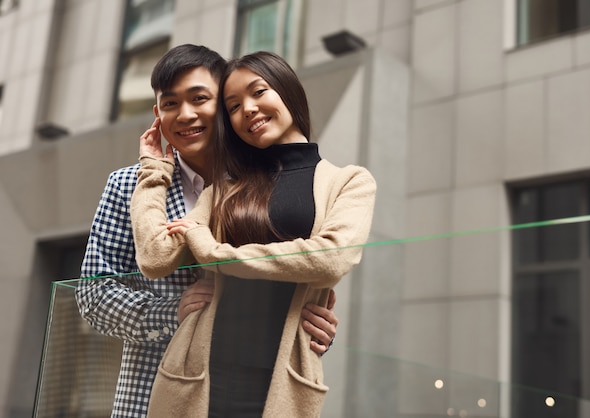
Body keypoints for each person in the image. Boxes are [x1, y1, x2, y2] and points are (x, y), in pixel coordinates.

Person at [75, 45, 338, 418]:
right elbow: (93, 293)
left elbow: (291, 280)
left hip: (253, 395)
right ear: (157, 115)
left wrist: (317, 329)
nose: (185, 114)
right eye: (170, 104)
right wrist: (172, 313)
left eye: (200, 99)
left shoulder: (267, 186)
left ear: (227, 106)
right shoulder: (127, 186)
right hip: (150, 394)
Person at [130, 51, 376, 417]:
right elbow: (154, 257)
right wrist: (153, 171)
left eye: (258, 91)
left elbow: (332, 259)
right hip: (198, 374)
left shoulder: (348, 181)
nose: (247, 109)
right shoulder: (226, 188)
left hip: (281, 381)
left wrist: (214, 254)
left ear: (287, 90)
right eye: (232, 106)